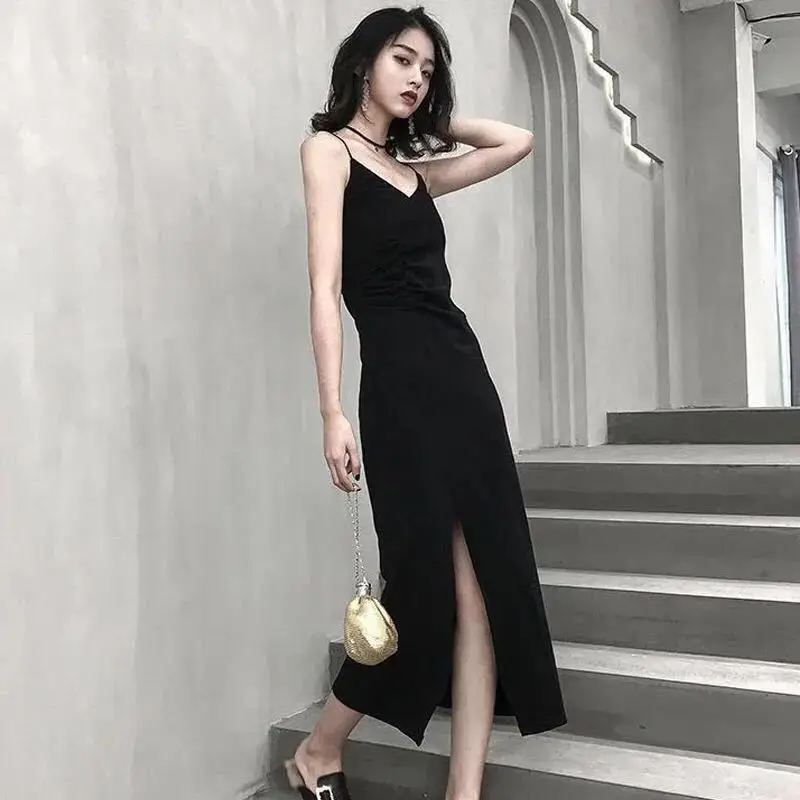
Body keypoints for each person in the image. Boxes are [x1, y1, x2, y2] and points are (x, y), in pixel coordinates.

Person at [287, 6, 566, 799]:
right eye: (402, 60)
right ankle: (318, 751)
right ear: (363, 63)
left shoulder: (416, 173)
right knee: (421, 588)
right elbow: (324, 290)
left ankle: (462, 790)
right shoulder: (328, 151)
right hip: (399, 388)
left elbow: (517, 140)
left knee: (482, 588)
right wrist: (331, 411)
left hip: (462, 378)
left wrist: (433, 121)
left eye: (428, 69)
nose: (416, 77)